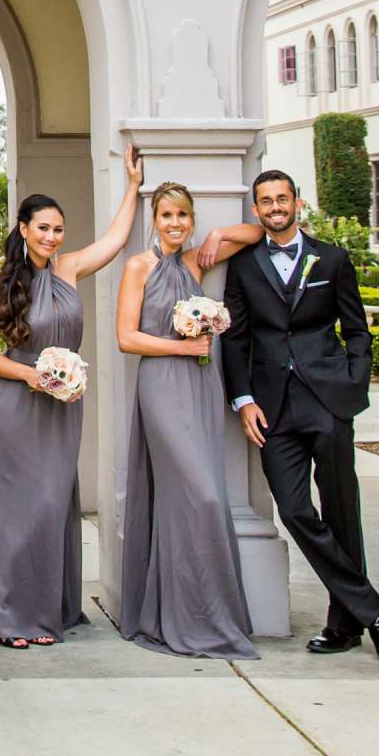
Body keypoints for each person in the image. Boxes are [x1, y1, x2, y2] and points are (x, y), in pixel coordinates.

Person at [0, 148, 144, 648]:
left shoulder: (69, 271)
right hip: (18, 406)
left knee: (50, 506)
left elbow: (116, 239)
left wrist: (132, 187)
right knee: (16, 508)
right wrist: (31, 376)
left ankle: (42, 611)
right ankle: (3, 615)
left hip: (63, 409)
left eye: (58, 229)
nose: (51, 237)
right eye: (42, 228)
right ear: (23, 229)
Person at [221, 169, 379, 660]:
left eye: (282, 198)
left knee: (343, 512)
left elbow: (357, 329)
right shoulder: (245, 265)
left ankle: (344, 626)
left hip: (328, 401)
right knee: (296, 510)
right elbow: (236, 339)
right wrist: (243, 400)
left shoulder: (332, 259)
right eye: (265, 201)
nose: (275, 207)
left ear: (297, 203)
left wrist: (352, 382)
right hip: (271, 409)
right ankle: (374, 608)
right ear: (256, 211)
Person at [111, 180, 264, 658]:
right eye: (166, 216)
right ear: (153, 221)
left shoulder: (198, 260)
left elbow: (258, 232)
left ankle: (201, 611)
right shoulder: (139, 266)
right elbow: (126, 338)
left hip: (200, 386)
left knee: (203, 496)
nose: (175, 224)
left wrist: (218, 236)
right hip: (161, 385)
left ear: (191, 220)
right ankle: (178, 614)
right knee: (197, 494)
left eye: (182, 216)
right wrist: (183, 345)